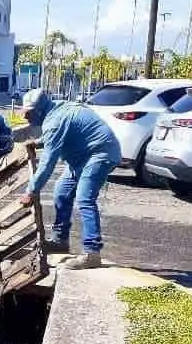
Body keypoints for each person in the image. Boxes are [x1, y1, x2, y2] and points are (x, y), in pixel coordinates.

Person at [18, 88, 121, 270]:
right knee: (62, 192)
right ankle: (60, 241)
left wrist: (31, 191)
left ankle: (92, 253)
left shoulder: (55, 121)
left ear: (39, 110)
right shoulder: (56, 110)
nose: (26, 117)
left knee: (84, 198)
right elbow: (60, 133)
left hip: (99, 154)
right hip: (82, 157)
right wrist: (39, 142)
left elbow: (47, 164)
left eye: (29, 113)